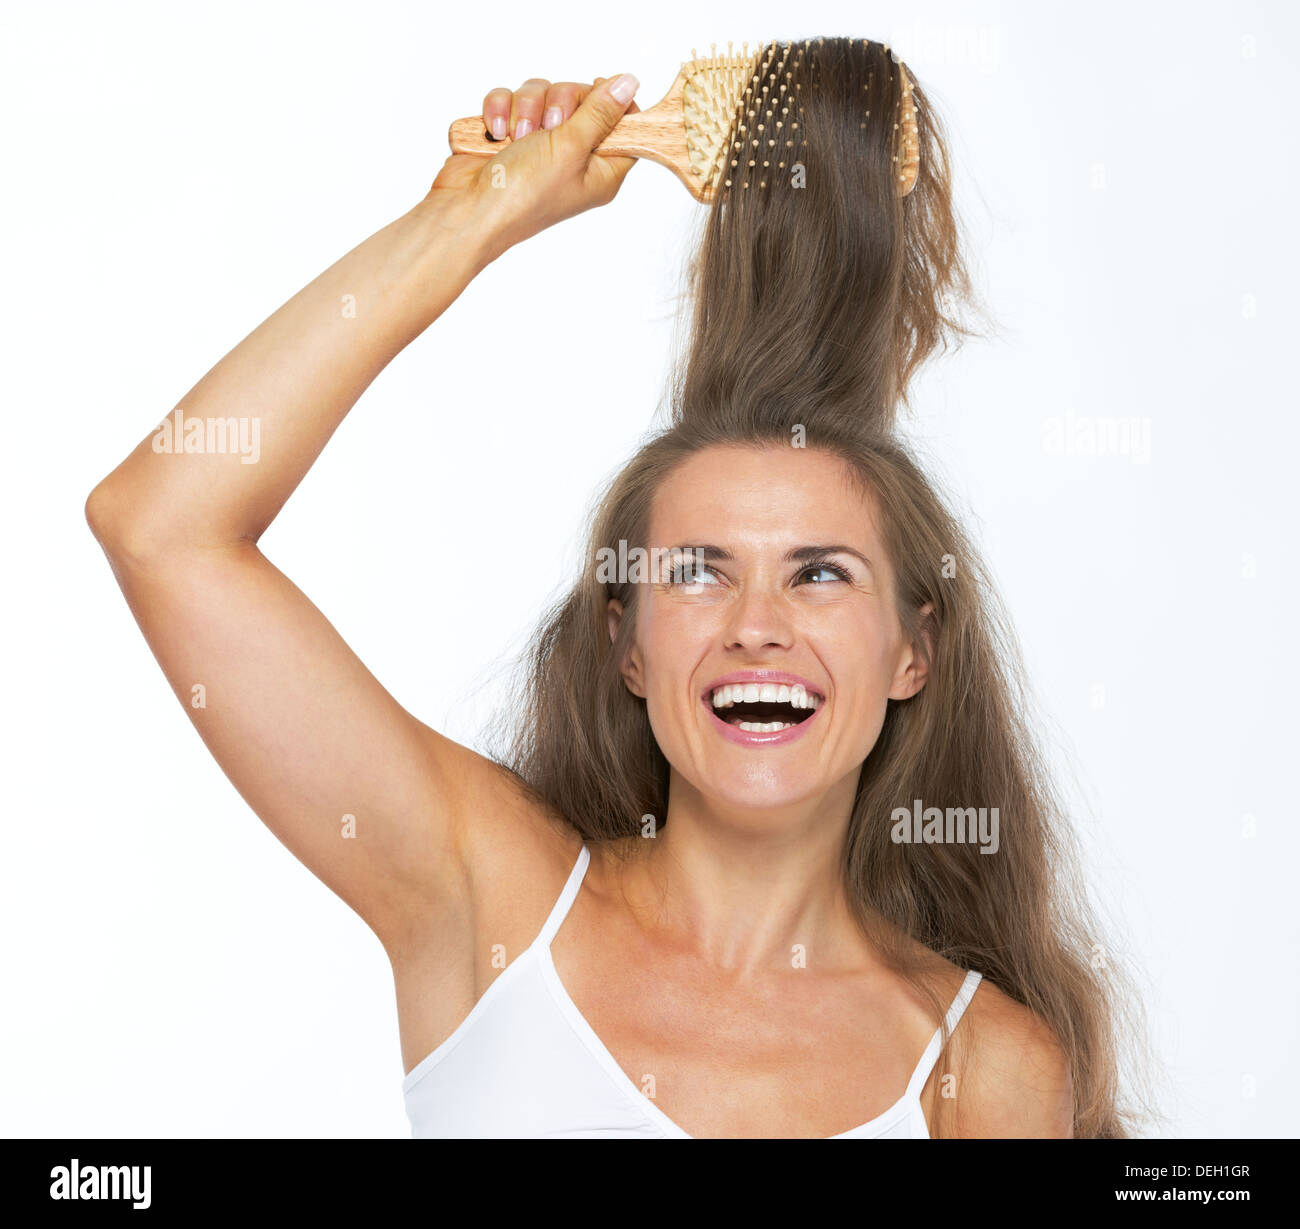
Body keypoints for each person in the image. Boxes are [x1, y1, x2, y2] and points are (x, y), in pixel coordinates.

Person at [86, 45, 1145, 1138]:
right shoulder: (488, 900)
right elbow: (161, 524)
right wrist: (470, 222)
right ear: (626, 642)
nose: (757, 626)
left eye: (819, 572)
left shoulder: (987, 1069)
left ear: (912, 649)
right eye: (698, 571)